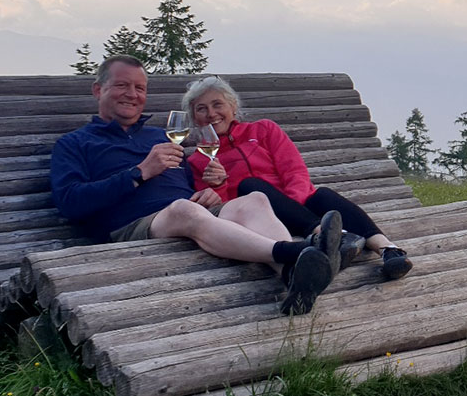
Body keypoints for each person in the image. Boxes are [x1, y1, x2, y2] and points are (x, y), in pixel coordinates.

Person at [50, 56, 343, 315]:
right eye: (122, 86)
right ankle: (295, 251)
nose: (132, 94)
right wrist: (138, 173)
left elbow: (184, 181)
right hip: (133, 225)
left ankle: (293, 275)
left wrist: (208, 190)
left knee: (254, 199)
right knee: (182, 210)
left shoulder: (157, 136)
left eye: (140, 88)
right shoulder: (75, 144)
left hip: (191, 212)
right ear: (98, 90)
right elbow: (71, 202)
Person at [180, 75, 413, 280]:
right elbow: (219, 208)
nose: (211, 114)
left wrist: (293, 206)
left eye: (217, 104)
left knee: (321, 195)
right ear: (194, 117)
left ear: (232, 106)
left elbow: (294, 170)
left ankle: (388, 250)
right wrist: (220, 184)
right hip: (261, 219)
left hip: (295, 207)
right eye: (201, 109)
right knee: (250, 186)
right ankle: (329, 236)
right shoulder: (199, 161)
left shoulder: (263, 130)